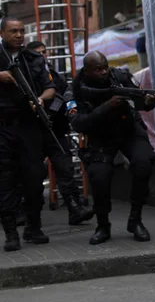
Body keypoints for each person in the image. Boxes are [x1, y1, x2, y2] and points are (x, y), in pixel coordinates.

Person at [63, 51, 155, 245]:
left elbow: (141, 101)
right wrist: (107, 106)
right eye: (98, 69)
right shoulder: (75, 90)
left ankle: (135, 220)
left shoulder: (121, 77)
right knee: (99, 176)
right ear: (87, 70)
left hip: (128, 129)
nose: (104, 72)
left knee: (144, 161)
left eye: (105, 66)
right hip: (100, 136)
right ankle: (103, 225)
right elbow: (78, 123)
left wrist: (149, 102)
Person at [0, 17, 55, 251]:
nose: (19, 35)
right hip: (2, 127)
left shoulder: (32, 58)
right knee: (5, 181)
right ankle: (11, 233)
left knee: (34, 178)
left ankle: (33, 227)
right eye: (13, 31)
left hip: (28, 126)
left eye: (22, 31)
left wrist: (41, 99)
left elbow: (50, 87)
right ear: (2, 33)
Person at [26, 41, 94, 226]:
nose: (43, 56)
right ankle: (29, 217)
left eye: (44, 52)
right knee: (32, 175)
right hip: (34, 132)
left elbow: (65, 94)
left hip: (55, 130)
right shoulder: (28, 75)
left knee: (65, 170)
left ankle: (75, 209)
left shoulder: (53, 75)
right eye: (38, 53)